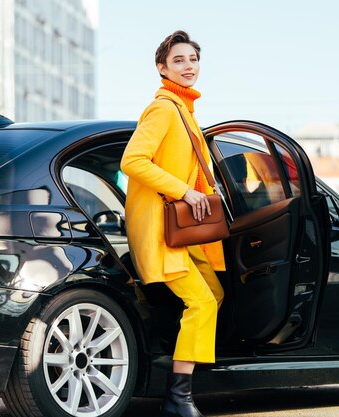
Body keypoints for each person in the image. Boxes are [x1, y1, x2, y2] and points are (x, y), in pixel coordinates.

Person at [120, 30, 225, 417]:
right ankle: (178, 397)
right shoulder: (164, 108)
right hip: (164, 231)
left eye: (193, 60)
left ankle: (181, 377)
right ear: (162, 68)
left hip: (183, 233)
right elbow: (133, 161)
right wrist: (185, 191)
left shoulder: (185, 110)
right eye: (178, 60)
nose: (188, 67)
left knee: (212, 294)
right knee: (201, 301)